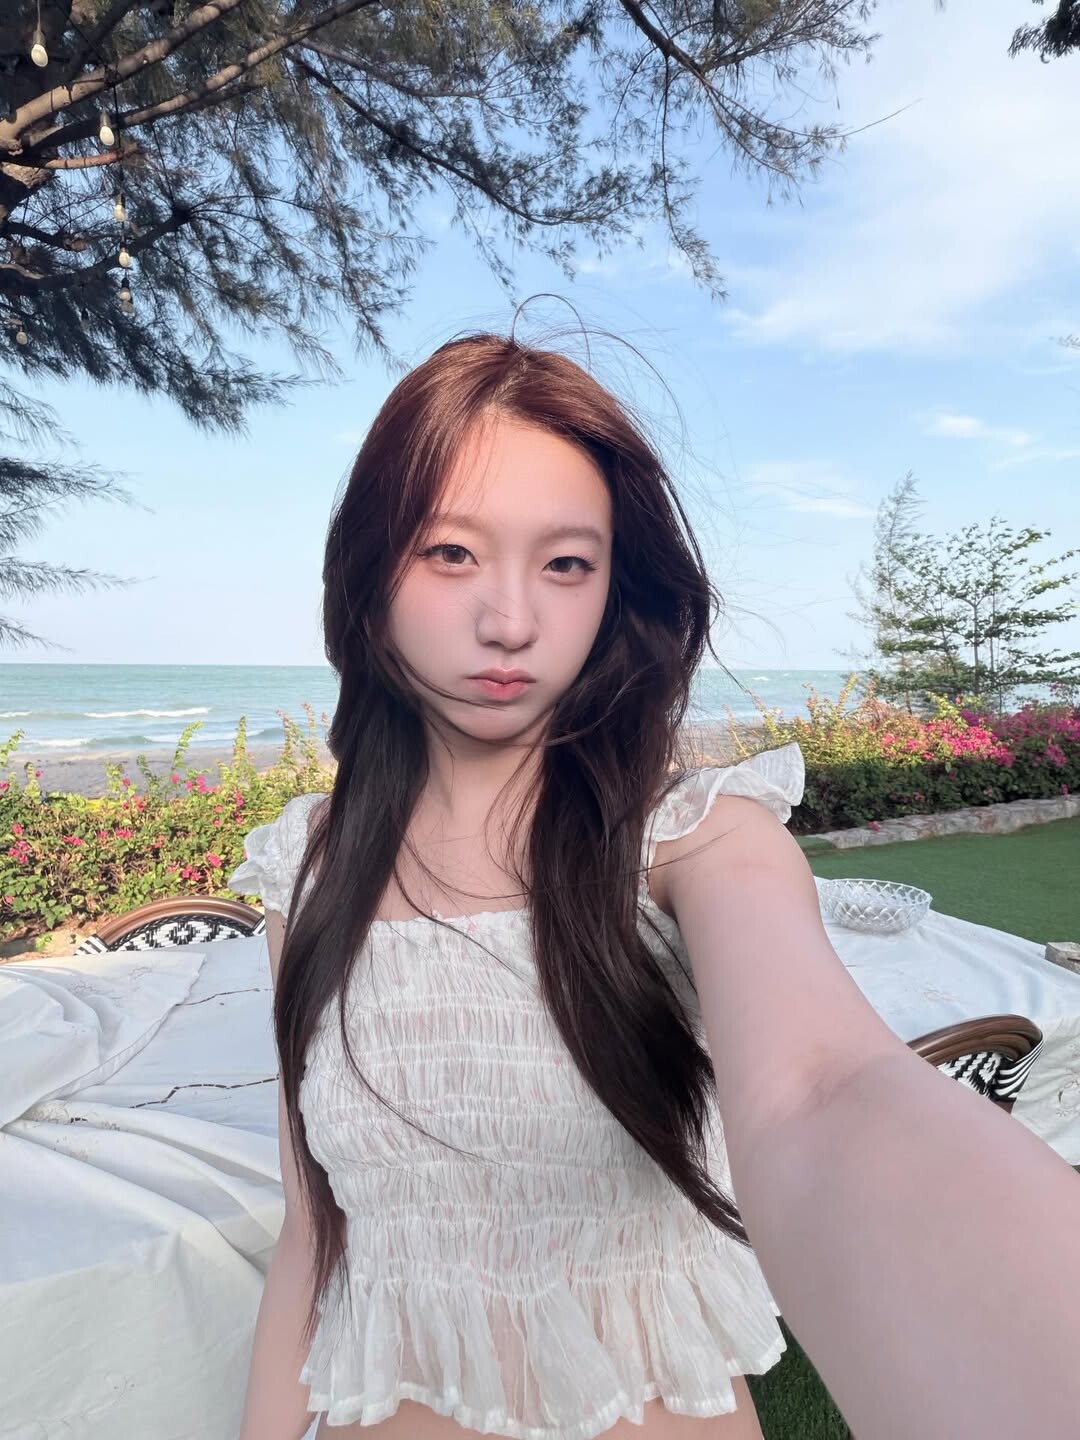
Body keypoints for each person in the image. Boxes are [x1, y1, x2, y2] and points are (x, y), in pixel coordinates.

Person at [231, 332, 1080, 1440]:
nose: (510, 621)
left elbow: (821, 1090)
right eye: (450, 552)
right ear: (369, 568)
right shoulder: (306, 871)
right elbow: (314, 1235)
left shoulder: (691, 842)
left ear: (614, 588)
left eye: (566, 564)